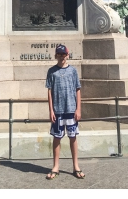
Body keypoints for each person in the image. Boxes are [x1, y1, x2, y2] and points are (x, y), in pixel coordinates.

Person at [45, 44, 84, 180]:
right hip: (58, 110)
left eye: (64, 54)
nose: (62, 57)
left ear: (68, 55)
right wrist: (51, 110)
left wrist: (78, 108)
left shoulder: (73, 71)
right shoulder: (51, 71)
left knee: (73, 137)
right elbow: (49, 91)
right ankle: (56, 166)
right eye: (59, 54)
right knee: (57, 137)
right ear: (56, 56)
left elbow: (78, 89)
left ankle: (76, 166)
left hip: (71, 109)